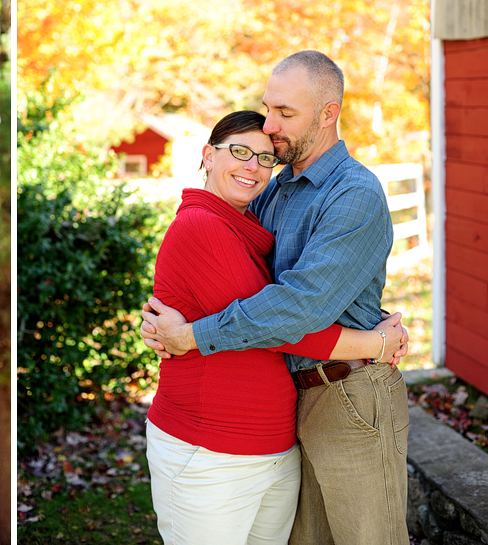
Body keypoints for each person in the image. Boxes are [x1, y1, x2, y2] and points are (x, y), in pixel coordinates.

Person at [142, 50, 411, 545]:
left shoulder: (354, 194)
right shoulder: (274, 187)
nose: (270, 126)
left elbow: (299, 305)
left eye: (285, 113)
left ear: (329, 113)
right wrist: (174, 316)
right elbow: (227, 272)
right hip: (286, 404)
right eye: (269, 108)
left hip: (348, 394)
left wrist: (192, 335)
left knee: (367, 537)